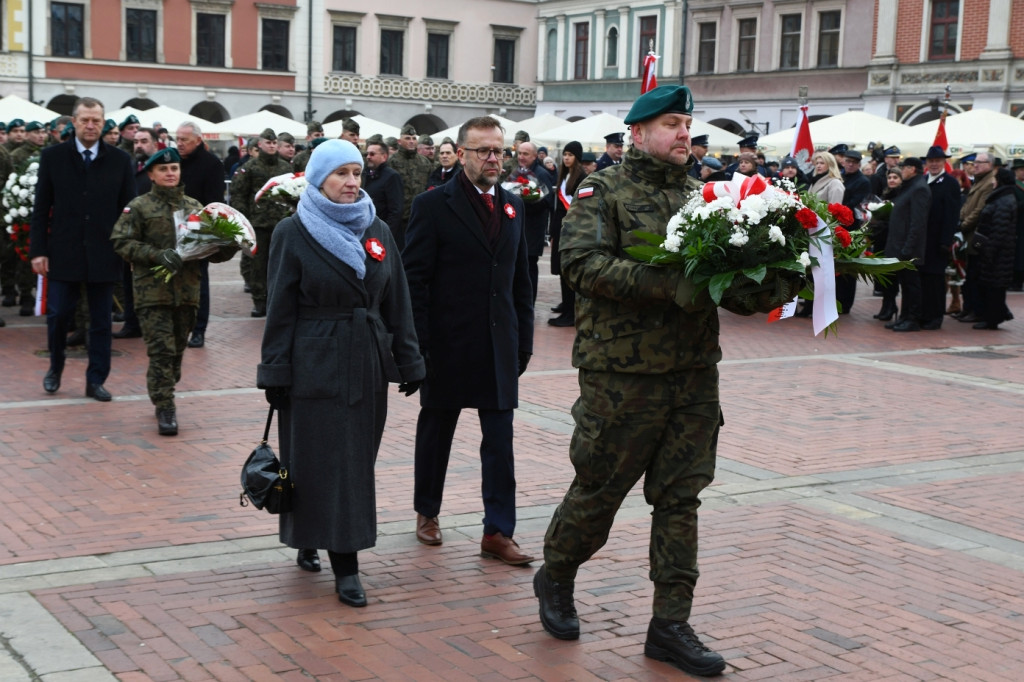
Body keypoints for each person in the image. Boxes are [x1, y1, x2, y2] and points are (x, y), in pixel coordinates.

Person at [533, 84, 799, 677]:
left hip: (693, 374)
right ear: (638, 132)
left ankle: (670, 624)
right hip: (622, 377)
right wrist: (670, 285)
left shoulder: (707, 196)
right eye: (673, 124)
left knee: (681, 499)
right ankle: (556, 573)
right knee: (600, 490)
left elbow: (726, 278)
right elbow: (580, 265)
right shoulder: (603, 191)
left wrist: (774, 281)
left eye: (688, 124)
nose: (685, 134)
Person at [258, 139, 425, 606]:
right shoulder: (294, 231)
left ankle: (312, 537)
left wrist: (409, 360)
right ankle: (345, 563)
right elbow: (279, 308)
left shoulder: (378, 229)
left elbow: (398, 302)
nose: (353, 182)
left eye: (357, 173)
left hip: (365, 360)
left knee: (352, 461)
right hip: (312, 363)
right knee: (320, 461)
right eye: (342, 174)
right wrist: (275, 371)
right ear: (319, 180)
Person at [402, 116, 535, 565]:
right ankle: (427, 511)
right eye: (483, 151)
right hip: (447, 345)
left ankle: (498, 530)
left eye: (499, 150)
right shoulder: (434, 205)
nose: (494, 158)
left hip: (499, 345)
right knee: (436, 432)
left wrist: (524, 340)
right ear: (461, 155)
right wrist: (419, 346)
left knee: (500, 443)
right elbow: (414, 282)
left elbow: (522, 281)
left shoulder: (513, 206)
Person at [110, 148, 236, 434]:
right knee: (161, 351)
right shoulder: (139, 207)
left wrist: (227, 245)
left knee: (177, 351)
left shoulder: (195, 208)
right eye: (164, 170)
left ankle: (161, 385)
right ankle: (165, 406)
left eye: (175, 169)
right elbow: (121, 242)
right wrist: (156, 255)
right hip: (152, 294)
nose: (170, 173)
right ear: (152, 174)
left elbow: (210, 252)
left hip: (188, 293)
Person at [29, 96, 136, 401]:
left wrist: (127, 250)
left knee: (101, 321)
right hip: (64, 252)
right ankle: (55, 369)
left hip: (104, 254)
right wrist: (39, 251)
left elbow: (128, 210)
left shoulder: (119, 160)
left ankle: (96, 379)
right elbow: (41, 209)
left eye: (96, 121)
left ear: (103, 123)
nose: (91, 126)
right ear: (74, 122)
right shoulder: (53, 157)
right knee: (59, 315)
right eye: (85, 120)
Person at [229, 127, 293, 317]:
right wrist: (245, 218)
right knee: (258, 264)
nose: (272, 146)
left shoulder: (285, 168)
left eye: (274, 143)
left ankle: (278, 300)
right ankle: (260, 301)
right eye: (268, 142)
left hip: (282, 223)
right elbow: (239, 194)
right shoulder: (250, 168)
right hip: (259, 224)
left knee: (281, 264)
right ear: (260, 145)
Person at [177, 121, 228, 348]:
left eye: (184, 140)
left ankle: (198, 330)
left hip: (198, 232)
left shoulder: (212, 164)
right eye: (177, 139)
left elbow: (213, 203)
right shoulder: (173, 161)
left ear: (197, 140)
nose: (179, 144)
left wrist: (202, 231)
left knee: (199, 282)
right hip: (172, 228)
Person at [884, 157, 931, 332]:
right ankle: (903, 317)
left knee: (911, 285)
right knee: (904, 284)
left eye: (903, 167)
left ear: (912, 169)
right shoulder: (910, 186)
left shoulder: (919, 188)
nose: (901, 170)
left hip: (909, 248)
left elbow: (917, 223)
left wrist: (908, 248)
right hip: (899, 246)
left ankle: (912, 318)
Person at [971, 167, 1018, 329]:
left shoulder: (1004, 201)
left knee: (995, 287)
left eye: (995, 178)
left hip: (998, 253)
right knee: (991, 285)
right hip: (995, 251)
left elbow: (999, 231)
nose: (992, 181)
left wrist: (989, 252)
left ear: (1001, 181)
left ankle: (992, 319)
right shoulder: (1000, 198)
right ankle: (994, 315)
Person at [920, 146, 961, 329]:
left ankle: (935, 316)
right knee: (922, 279)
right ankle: (923, 313)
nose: (934, 164)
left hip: (938, 241)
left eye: (938, 161)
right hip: (921, 240)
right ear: (926, 163)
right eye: (931, 161)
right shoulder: (922, 180)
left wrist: (946, 240)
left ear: (944, 162)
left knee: (935, 280)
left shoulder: (950, 183)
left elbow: (952, 215)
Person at [511, 140, 554, 303]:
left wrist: (523, 203)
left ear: (535, 156)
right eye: (520, 153)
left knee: (529, 267)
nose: (521, 157)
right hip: (519, 228)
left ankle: (528, 302)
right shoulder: (517, 172)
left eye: (525, 154)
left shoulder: (541, 174)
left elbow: (547, 200)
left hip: (532, 229)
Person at [956, 152, 997, 322]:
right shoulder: (978, 180)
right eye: (975, 162)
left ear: (990, 164)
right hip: (968, 235)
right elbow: (967, 206)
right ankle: (968, 308)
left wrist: (963, 225)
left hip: (977, 235)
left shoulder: (989, 182)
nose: (976, 165)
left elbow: (979, 210)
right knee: (969, 275)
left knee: (975, 275)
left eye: (980, 162)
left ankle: (975, 310)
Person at [548, 141, 585, 327]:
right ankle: (566, 304)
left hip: (572, 231)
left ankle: (571, 312)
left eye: (570, 155)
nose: (566, 158)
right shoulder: (564, 175)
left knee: (568, 271)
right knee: (561, 270)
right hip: (561, 228)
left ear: (577, 157)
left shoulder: (581, 177)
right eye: (565, 155)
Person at [868, 167, 904, 322]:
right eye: (890, 178)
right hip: (881, 240)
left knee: (891, 276)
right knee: (883, 275)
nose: (892, 180)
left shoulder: (901, 196)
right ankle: (886, 305)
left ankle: (891, 306)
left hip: (893, 241)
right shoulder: (884, 194)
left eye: (896, 177)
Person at [388, 124, 433, 249]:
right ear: (400, 141)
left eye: (414, 138)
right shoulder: (392, 162)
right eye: (407, 138)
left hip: (420, 216)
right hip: (400, 219)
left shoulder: (424, 162)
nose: (411, 141)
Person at [838, 149, 872, 312]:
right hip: (837, 226)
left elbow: (854, 204)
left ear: (859, 164)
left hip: (852, 228)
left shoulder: (862, 181)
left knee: (848, 266)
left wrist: (838, 207)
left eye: (853, 162)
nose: (850, 164)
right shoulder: (839, 177)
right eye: (848, 161)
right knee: (837, 265)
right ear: (843, 162)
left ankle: (845, 303)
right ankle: (836, 299)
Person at [362, 138, 404, 235]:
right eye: (367, 154)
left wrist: (386, 233)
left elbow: (396, 210)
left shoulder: (392, 176)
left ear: (384, 157)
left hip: (382, 231)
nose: (368, 157)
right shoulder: (364, 174)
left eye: (372, 154)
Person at [1012, 159, 1024, 291]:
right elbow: (1013, 206)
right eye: (1021, 169)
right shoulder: (1014, 187)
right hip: (1019, 226)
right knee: (1019, 256)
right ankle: (1017, 281)